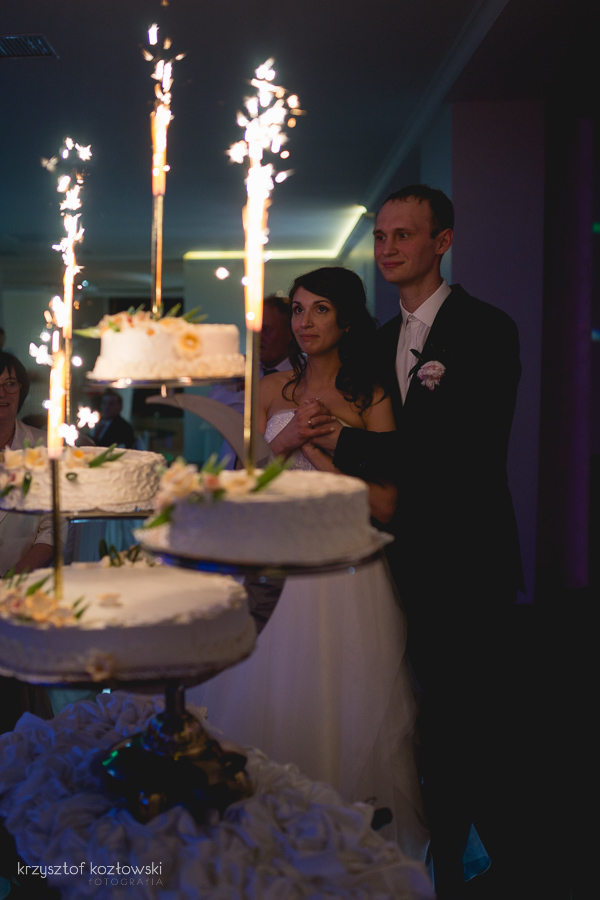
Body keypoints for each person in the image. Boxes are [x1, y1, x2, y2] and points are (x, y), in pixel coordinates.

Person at [309, 186, 523, 897]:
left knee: (459, 721)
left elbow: (458, 450)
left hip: (465, 559)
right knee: (395, 716)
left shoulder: (487, 329)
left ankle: (455, 862)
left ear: (442, 242)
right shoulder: (372, 344)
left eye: (404, 234)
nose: (389, 247)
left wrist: (341, 442)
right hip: (387, 555)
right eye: (381, 236)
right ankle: (401, 847)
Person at [189, 267, 430, 862]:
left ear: (345, 320)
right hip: (271, 561)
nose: (304, 322)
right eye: (298, 309)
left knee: (338, 707)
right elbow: (240, 484)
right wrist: (289, 436)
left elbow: (385, 504)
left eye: (320, 309)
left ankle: (340, 857)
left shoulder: (371, 396)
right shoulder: (270, 390)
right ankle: (258, 851)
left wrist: (321, 453)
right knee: (262, 705)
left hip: (343, 572)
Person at [0, 351, 60, 731]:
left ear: (21, 390)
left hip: (24, 590)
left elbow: (53, 524)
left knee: (18, 706)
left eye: (10, 384)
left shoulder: (41, 447)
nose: (2, 393)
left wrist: (18, 575)